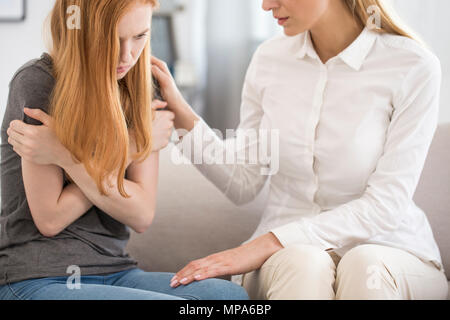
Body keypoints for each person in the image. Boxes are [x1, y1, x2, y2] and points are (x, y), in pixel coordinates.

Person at [148, 0, 448, 299]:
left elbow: (386, 204)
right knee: (302, 260)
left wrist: (268, 242)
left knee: (364, 263)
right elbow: (243, 182)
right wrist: (179, 110)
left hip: (392, 251)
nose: (266, 6)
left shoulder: (412, 65)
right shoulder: (269, 59)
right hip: (291, 261)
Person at [0, 0, 248, 300]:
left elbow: (141, 214)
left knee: (227, 296)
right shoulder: (40, 83)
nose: (127, 55)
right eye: (112, 40)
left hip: (117, 272)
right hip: (39, 276)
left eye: (140, 36)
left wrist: (68, 158)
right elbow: (50, 219)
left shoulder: (142, 87)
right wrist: (128, 149)